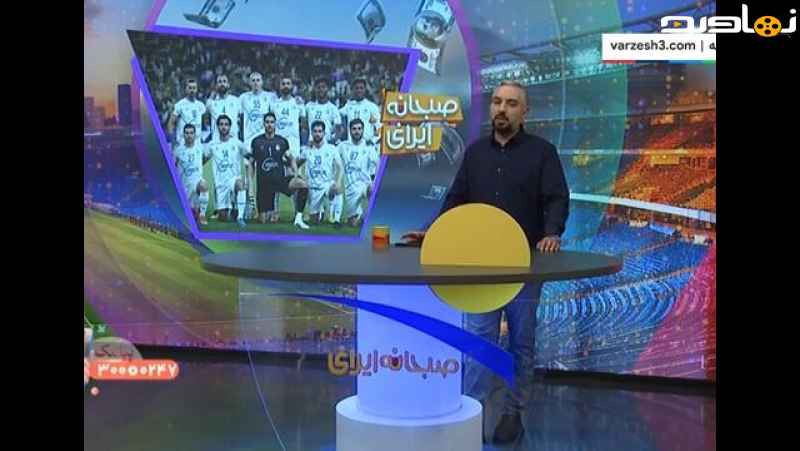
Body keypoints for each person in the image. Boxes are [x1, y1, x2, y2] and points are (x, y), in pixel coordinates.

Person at [402, 80, 569, 444]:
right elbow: (456, 199)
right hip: (479, 267)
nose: (501, 109)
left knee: (521, 343)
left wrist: (552, 232)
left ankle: (513, 413)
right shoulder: (476, 153)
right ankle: (471, 412)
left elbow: (557, 198)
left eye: (511, 103)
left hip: (524, 266)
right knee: (478, 341)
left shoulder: (543, 153)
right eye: (497, 102)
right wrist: (433, 233)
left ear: (524, 112)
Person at [248, 112, 310, 229]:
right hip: (264, 185)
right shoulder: (256, 141)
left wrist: (295, 174)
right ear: (263, 124)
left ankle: (298, 218)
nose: (269, 125)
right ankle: (263, 211)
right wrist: (251, 183)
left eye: (272, 122)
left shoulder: (282, 141)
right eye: (267, 122)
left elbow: (291, 159)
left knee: (302, 184)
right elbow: (251, 163)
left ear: (275, 124)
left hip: (280, 181)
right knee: (264, 220)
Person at [204, 115, 251, 227]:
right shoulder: (212, 145)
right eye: (221, 124)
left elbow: (250, 156)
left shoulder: (237, 143)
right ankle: (233, 203)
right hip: (220, 184)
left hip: (234, 179)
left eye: (226, 124)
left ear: (230, 127)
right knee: (223, 217)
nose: (224, 127)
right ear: (217, 127)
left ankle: (240, 217)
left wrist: (248, 177)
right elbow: (203, 159)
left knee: (240, 184)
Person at [335, 119, 379, 226]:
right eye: (354, 129)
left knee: (373, 189)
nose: (357, 131)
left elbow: (378, 164)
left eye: (359, 129)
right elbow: (331, 155)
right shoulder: (342, 146)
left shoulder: (368, 147)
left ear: (363, 130)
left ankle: (371, 216)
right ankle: (361, 216)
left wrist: (375, 181)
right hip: (350, 189)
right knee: (353, 223)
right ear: (350, 130)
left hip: (365, 184)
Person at [300, 121, 343, 225]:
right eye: (315, 131)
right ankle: (321, 210)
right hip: (313, 187)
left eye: (320, 131)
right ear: (311, 133)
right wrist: (299, 176)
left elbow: (340, 167)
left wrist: (338, 181)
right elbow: (297, 162)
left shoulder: (331, 149)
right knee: (314, 221)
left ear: (324, 133)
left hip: (327, 185)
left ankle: (336, 219)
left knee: (337, 189)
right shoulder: (307, 150)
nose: (317, 134)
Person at [173, 124, 210, 225]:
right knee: (189, 218)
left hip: (197, 184)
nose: (189, 135)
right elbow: (173, 166)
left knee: (204, 185)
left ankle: (202, 215)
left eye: (191, 133)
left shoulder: (200, 148)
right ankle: (193, 211)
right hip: (184, 187)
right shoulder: (178, 150)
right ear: (183, 135)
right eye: (187, 133)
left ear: (195, 135)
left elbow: (206, 158)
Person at [167, 78, 207, 146]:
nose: (192, 90)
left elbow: (204, 124)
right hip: (182, 143)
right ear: (186, 89)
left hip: (197, 144)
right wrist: (173, 140)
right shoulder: (179, 105)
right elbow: (170, 123)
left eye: (194, 88)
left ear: (197, 89)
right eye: (190, 88)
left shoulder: (201, 105)